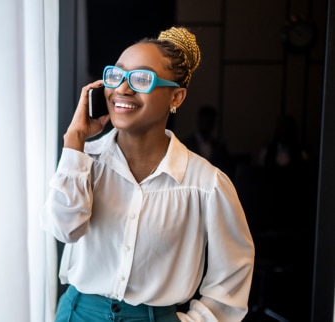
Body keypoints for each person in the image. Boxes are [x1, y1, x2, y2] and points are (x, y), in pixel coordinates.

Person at [41, 26, 255, 322]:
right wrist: (74, 139)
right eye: (116, 75)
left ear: (176, 97)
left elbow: (233, 275)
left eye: (142, 78)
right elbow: (64, 229)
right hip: (77, 313)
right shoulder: (82, 161)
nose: (123, 89)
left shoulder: (207, 185)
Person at [183, 105, 233, 175]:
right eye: (205, 121)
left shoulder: (219, 145)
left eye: (211, 122)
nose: (207, 125)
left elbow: (225, 168)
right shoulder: (187, 144)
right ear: (199, 121)